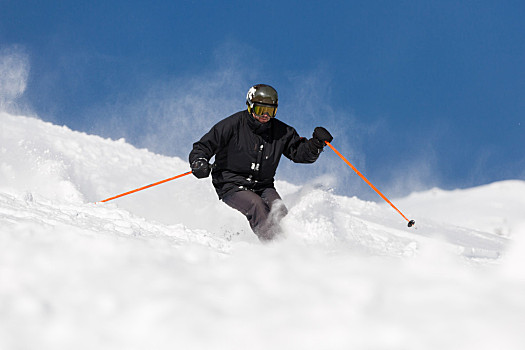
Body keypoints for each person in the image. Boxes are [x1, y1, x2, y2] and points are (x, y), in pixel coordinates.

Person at [189, 84, 333, 241]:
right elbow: (204, 146)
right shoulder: (233, 124)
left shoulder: (281, 132)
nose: (265, 115)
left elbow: (299, 153)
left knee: (280, 212)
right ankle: (275, 248)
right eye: (260, 110)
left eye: (270, 111)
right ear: (250, 107)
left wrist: (316, 145)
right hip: (230, 183)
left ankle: (294, 246)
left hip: (263, 185)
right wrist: (199, 161)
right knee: (257, 206)